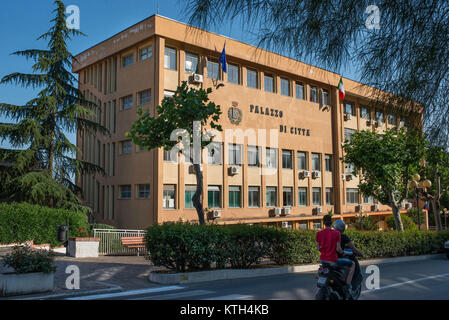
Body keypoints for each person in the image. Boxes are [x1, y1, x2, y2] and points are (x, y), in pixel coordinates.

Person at [315, 215, 352, 299]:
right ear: (331, 223)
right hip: (333, 261)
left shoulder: (318, 234)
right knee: (352, 264)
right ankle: (347, 286)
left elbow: (318, 248)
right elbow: (338, 249)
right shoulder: (336, 233)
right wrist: (344, 253)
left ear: (323, 223)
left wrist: (324, 251)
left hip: (323, 261)